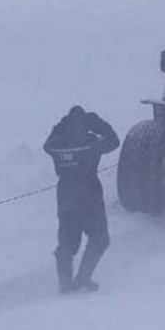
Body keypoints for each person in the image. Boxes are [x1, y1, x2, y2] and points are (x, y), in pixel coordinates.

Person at [43, 106, 120, 293]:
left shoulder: (57, 145)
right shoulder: (91, 144)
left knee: (67, 241)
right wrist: (96, 123)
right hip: (89, 193)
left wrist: (61, 126)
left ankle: (65, 282)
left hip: (65, 194)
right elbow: (114, 141)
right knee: (100, 238)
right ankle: (84, 277)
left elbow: (47, 145)